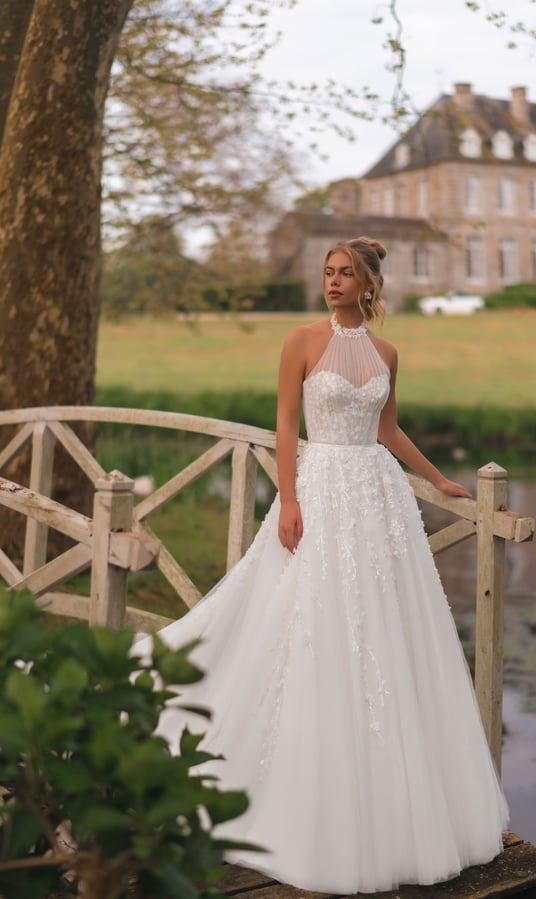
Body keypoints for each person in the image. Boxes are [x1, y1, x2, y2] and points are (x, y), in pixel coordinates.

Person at [148, 236, 509, 893]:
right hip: (322, 488)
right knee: (307, 619)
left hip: (378, 498)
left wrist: (440, 479)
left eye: (346, 273)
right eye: (328, 271)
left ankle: (390, 796)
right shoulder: (302, 340)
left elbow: (389, 429)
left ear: (371, 285)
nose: (333, 281)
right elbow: (286, 422)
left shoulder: (387, 352)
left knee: (383, 629)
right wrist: (287, 496)